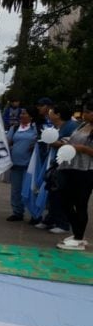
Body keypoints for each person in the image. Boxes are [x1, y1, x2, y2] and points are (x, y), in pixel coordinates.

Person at [55, 102, 93, 251]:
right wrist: (60, 143)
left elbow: (85, 148)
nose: (86, 114)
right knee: (65, 201)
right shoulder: (81, 125)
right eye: (85, 111)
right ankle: (78, 233)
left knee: (80, 204)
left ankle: (79, 237)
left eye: (89, 111)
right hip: (70, 167)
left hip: (86, 170)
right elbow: (71, 140)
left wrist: (82, 148)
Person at [36, 103, 79, 233]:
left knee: (59, 193)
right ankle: (50, 219)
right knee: (51, 191)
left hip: (65, 165)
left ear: (58, 114)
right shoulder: (57, 126)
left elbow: (68, 143)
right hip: (55, 163)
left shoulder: (71, 127)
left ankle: (63, 223)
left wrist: (54, 143)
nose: (49, 114)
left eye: (52, 111)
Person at [5, 108, 37, 222]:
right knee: (16, 190)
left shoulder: (36, 129)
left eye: (24, 113)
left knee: (29, 191)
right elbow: (7, 142)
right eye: (21, 113)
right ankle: (17, 212)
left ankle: (35, 215)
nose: (22, 115)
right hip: (15, 164)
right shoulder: (14, 128)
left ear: (31, 116)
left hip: (29, 165)